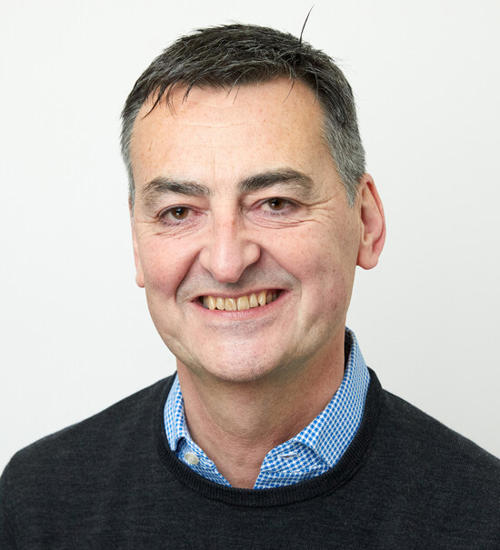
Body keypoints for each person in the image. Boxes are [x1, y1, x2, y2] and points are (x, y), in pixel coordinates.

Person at [1, 23, 498, 548]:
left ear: (367, 222)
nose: (227, 262)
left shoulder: (486, 518)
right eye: (178, 212)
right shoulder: (36, 507)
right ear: (137, 242)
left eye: (276, 203)